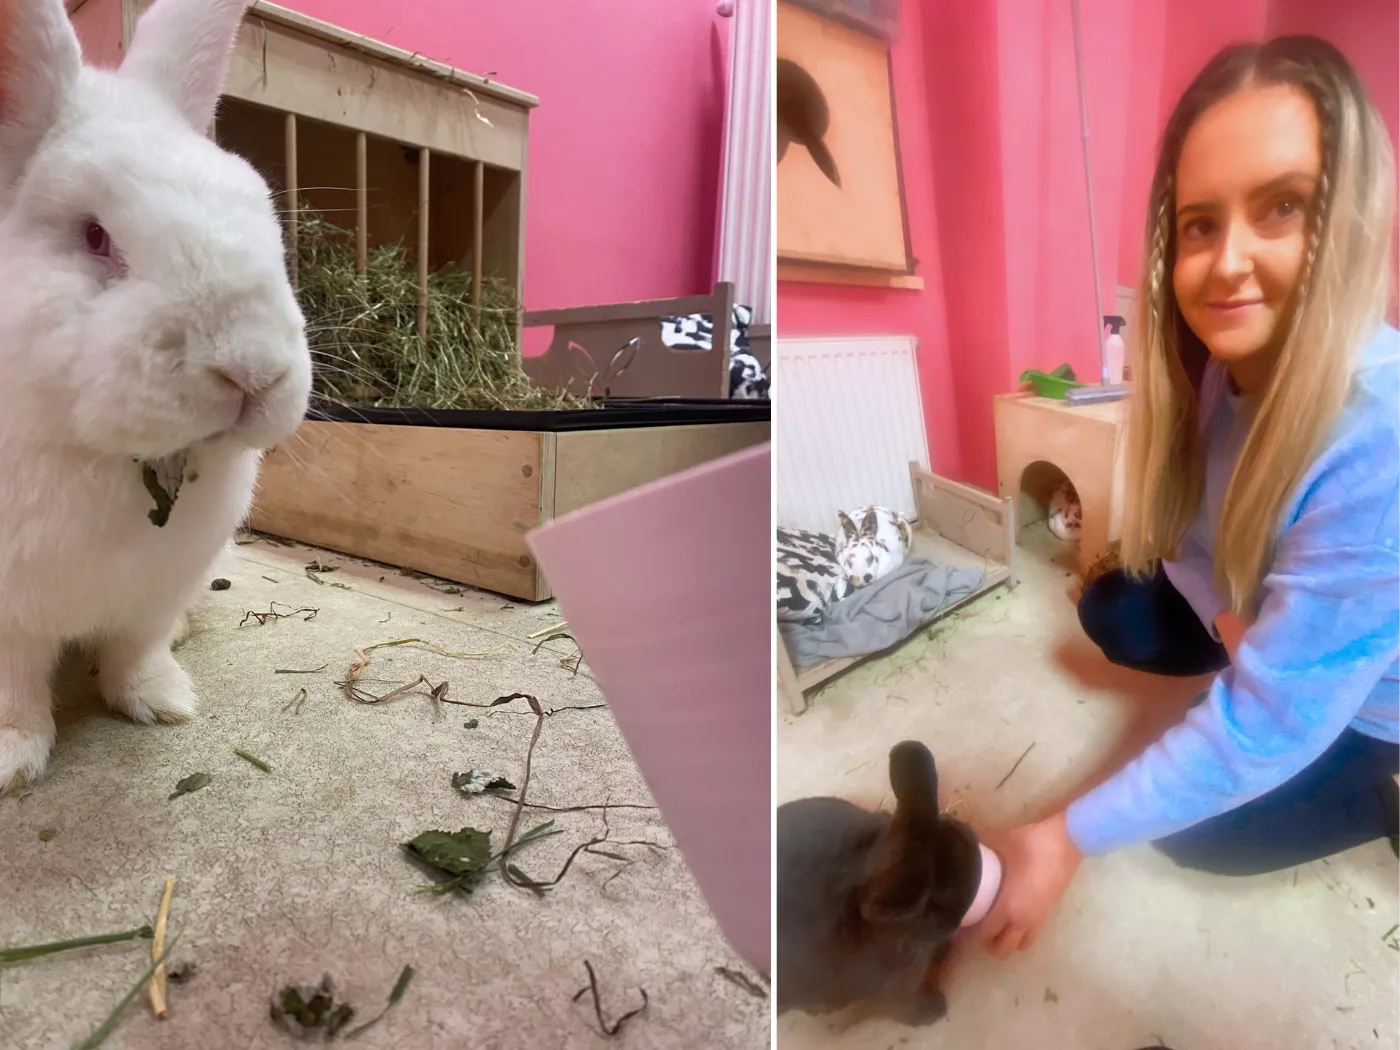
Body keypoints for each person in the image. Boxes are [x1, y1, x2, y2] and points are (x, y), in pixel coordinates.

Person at [981, 35, 1399, 959]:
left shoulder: (1379, 441)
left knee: (1195, 833)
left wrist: (1062, 836)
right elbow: (1190, 540)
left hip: (1371, 703)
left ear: (1351, 220)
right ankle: (1264, 656)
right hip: (1266, 621)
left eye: (1282, 207)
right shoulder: (1220, 367)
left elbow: (1270, 730)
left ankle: (1382, 790)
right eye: (1202, 222)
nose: (1225, 262)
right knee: (1111, 610)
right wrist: (1224, 616)